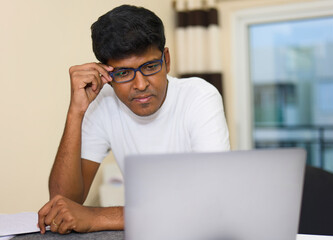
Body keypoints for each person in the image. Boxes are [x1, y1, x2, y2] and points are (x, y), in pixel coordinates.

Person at [37, 4, 229, 234]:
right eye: (124, 73)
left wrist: (96, 216)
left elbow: (210, 203)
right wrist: (75, 112)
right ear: (106, 74)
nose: (140, 85)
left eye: (149, 66)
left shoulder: (199, 96)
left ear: (166, 60)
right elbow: (63, 203)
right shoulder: (103, 103)